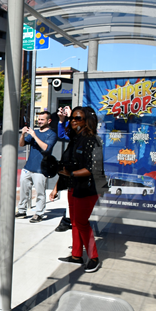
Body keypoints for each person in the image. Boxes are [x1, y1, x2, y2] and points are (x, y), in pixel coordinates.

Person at [49, 107, 102, 273]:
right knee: (74, 222)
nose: (73, 120)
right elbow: (67, 163)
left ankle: (94, 257)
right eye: (72, 117)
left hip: (88, 188)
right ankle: (76, 255)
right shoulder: (75, 139)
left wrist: (70, 173)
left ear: (87, 121)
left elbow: (93, 169)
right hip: (74, 186)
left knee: (81, 222)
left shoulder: (92, 140)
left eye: (78, 118)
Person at [16, 111, 58, 223]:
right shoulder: (35, 133)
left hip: (41, 169)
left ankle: (39, 213)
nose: (39, 121)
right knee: (24, 190)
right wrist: (23, 134)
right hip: (28, 167)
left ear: (48, 121)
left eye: (42, 119)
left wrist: (34, 135)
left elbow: (46, 148)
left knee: (40, 192)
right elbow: (21, 144)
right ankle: (22, 210)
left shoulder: (51, 134)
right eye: (38, 119)